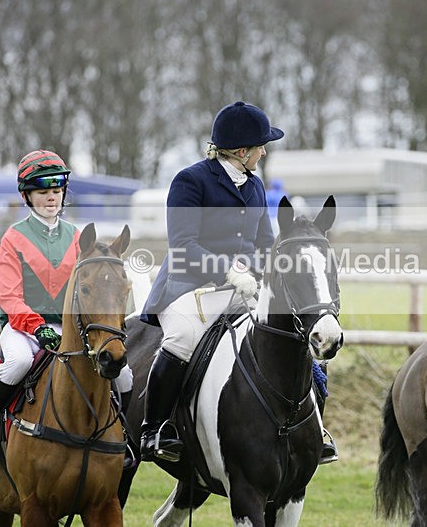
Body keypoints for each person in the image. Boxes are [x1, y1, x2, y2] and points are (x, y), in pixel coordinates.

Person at [138, 101, 338, 463]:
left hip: (243, 289)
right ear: (242, 151)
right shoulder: (190, 181)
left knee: (294, 333)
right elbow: (183, 246)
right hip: (189, 288)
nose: (264, 152)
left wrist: (272, 274)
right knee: (181, 341)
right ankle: (154, 429)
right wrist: (230, 271)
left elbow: (263, 244)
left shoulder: (255, 186)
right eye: (261, 146)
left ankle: (314, 427)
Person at [0, 150, 135, 461]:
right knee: (16, 363)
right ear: (27, 196)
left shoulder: (79, 237)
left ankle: (126, 438)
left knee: (124, 375)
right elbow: (9, 297)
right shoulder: (12, 239)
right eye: (43, 192)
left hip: (70, 328)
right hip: (22, 328)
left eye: (56, 191)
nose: (52, 198)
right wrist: (37, 327)